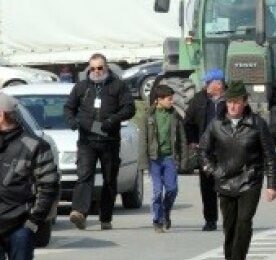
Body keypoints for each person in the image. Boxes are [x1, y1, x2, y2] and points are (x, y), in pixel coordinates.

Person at [201, 80, 276, 260]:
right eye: (229, 102)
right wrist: (213, 170)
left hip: (249, 180)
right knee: (229, 225)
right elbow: (204, 152)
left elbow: (269, 156)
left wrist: (272, 184)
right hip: (224, 181)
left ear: (245, 102)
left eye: (237, 102)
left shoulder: (257, 124)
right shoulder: (216, 125)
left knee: (244, 223)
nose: (233, 106)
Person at [64, 53, 136, 231]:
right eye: (93, 68)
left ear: (106, 68)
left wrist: (113, 119)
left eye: (100, 68)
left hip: (109, 140)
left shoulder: (118, 85)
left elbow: (130, 108)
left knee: (109, 180)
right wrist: (72, 122)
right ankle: (79, 212)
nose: (96, 71)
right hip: (87, 141)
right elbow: (68, 107)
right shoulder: (81, 87)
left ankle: (105, 217)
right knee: (84, 176)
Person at [0, 92, 60, 260]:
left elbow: (49, 185)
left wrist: (33, 222)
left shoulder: (35, 146)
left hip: (20, 228)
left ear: (1, 115)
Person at [184, 68, 227, 231]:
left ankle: (229, 218)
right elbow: (188, 121)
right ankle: (210, 220)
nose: (205, 86)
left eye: (208, 83)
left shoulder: (232, 100)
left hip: (226, 149)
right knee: (207, 186)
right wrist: (193, 140)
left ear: (219, 84)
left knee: (226, 185)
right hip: (206, 149)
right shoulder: (199, 99)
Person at [141, 84, 187, 233]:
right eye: (169, 99)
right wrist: (143, 162)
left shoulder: (175, 116)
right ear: (158, 100)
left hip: (169, 158)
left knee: (172, 189)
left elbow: (182, 139)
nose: (171, 102)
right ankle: (157, 220)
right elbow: (143, 140)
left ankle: (166, 211)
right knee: (157, 192)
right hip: (154, 159)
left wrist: (184, 159)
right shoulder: (148, 116)